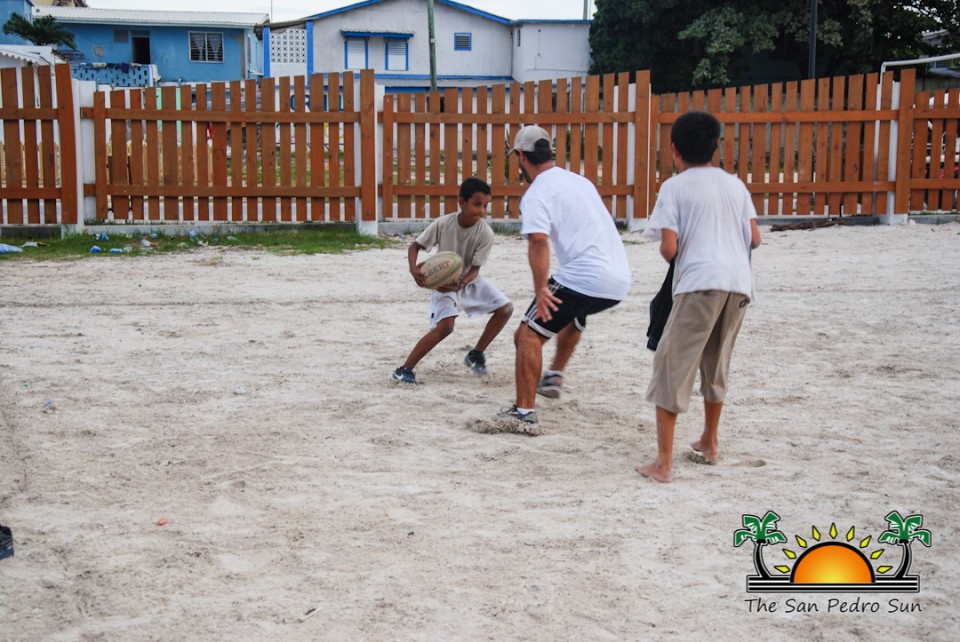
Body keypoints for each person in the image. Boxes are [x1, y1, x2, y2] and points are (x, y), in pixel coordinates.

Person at [636, 111, 762, 483]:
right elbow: (754, 238)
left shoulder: (675, 187)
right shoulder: (735, 185)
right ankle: (709, 441)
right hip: (739, 283)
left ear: (674, 149)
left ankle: (663, 464)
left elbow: (669, 246)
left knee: (672, 364)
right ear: (716, 147)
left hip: (700, 282)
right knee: (716, 359)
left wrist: (688, 257)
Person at [495, 125, 631, 426]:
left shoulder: (536, 194)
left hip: (584, 276)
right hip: (618, 280)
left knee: (527, 335)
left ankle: (523, 413)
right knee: (573, 312)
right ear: (549, 152)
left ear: (520, 156)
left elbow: (538, 241)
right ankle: (554, 374)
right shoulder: (580, 181)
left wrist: (542, 288)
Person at [392, 178, 514, 385]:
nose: (482, 211)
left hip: (469, 280)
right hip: (444, 283)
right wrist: (413, 269)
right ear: (462, 202)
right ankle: (404, 369)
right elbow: (415, 247)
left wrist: (461, 283)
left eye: (485, 205)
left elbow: (475, 268)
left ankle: (476, 354)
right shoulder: (444, 223)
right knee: (446, 327)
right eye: (477, 204)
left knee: (506, 309)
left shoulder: (485, 233)